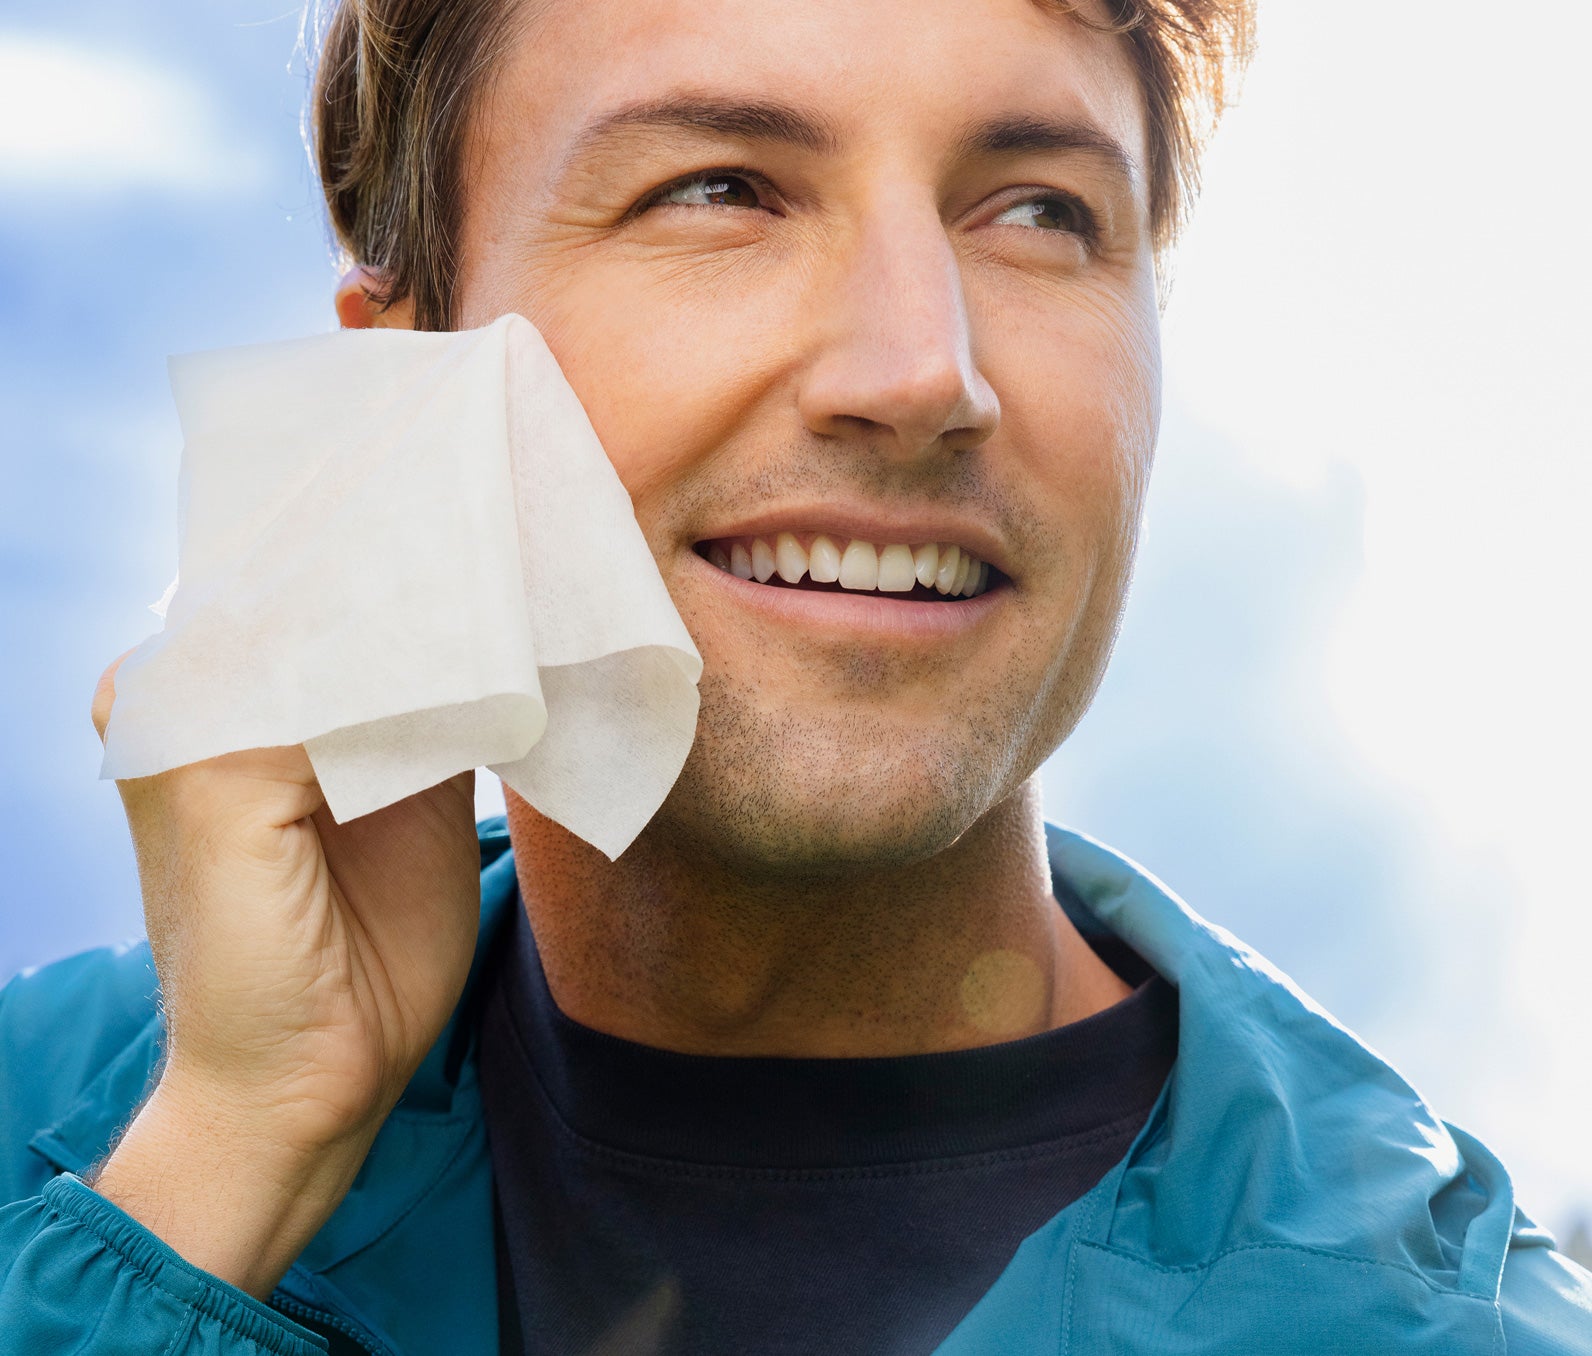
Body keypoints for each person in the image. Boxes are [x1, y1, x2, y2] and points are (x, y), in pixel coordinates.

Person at [2, 0, 1589, 1350]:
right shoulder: (44, 1143)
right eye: (722, 190)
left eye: (1039, 210)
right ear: (397, 392)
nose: (922, 371)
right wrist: (222, 1171)